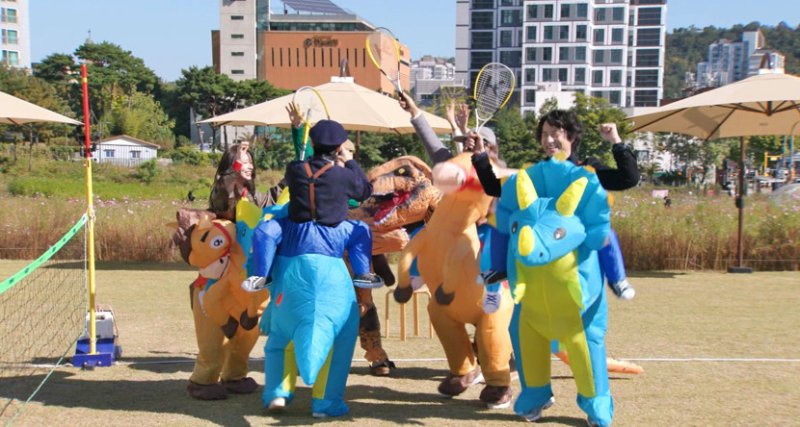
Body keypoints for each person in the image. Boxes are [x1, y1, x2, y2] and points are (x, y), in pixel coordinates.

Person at [471, 109, 639, 300]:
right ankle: (500, 269)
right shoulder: (536, 172)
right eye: (544, 135)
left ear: (571, 137)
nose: (548, 140)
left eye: (554, 134)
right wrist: (480, 157)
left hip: (577, 234)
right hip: (542, 236)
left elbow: (629, 178)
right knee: (502, 221)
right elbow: (495, 188)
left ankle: (617, 280)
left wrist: (616, 141)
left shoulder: (587, 168)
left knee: (606, 233)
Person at [244, 119, 383, 289]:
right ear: (339, 148)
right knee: (362, 230)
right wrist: (350, 162)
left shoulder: (294, 169)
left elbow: (305, 161)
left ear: (312, 142)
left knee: (264, 231)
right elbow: (366, 191)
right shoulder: (343, 175)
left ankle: (261, 276)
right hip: (334, 234)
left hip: (295, 231)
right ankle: (363, 274)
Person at [208, 141, 285, 220]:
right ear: (230, 165)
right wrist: (237, 164)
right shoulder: (219, 191)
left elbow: (269, 199)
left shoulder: (248, 191)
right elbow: (226, 191)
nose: (251, 167)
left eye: (251, 163)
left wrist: (291, 178)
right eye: (245, 163)